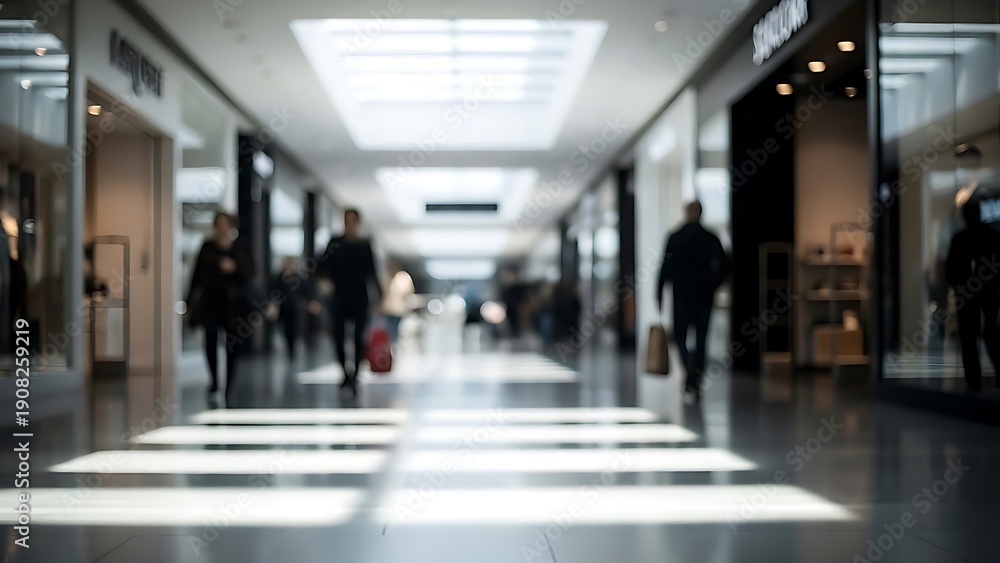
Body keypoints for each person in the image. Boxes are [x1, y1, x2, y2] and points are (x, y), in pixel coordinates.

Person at [657, 201, 727, 404]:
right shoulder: (711, 238)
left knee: (680, 336)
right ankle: (695, 378)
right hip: (704, 296)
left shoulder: (675, 237)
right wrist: (713, 285)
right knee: (701, 339)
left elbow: (665, 267)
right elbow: (724, 265)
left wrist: (659, 293)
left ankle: (689, 366)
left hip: (681, 296)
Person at [186, 212, 254, 402]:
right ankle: (214, 380)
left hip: (233, 304)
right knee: (210, 339)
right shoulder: (207, 247)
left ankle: (230, 383)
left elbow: (250, 273)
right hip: (211, 301)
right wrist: (190, 299)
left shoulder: (241, 247)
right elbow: (197, 275)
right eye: (219, 223)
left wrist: (234, 268)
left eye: (225, 223)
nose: (222, 227)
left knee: (232, 343)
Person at [320, 208, 382, 398]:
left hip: (359, 298)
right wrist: (324, 284)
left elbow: (372, 273)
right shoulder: (335, 243)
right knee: (338, 339)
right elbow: (322, 266)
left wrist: (379, 296)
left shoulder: (364, 245)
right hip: (339, 297)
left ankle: (354, 376)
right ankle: (344, 374)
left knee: (357, 339)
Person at [945, 191, 1000, 394]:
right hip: (981, 293)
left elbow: (950, 271)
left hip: (970, 293)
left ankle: (974, 381)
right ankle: (981, 378)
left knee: (974, 336)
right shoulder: (991, 237)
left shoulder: (961, 239)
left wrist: (962, 287)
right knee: (987, 334)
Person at [270, 256, 321, 360]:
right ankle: (290, 348)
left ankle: (292, 350)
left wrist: (311, 302)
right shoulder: (279, 277)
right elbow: (273, 291)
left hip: (296, 309)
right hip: (283, 309)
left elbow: (307, 291)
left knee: (294, 329)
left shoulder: (299, 278)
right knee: (285, 330)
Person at [381, 263, 414, 345]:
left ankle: (394, 346)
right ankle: (390, 346)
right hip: (388, 309)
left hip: (397, 310)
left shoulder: (402, 277)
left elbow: (407, 293)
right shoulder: (389, 277)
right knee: (388, 330)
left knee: (394, 329)